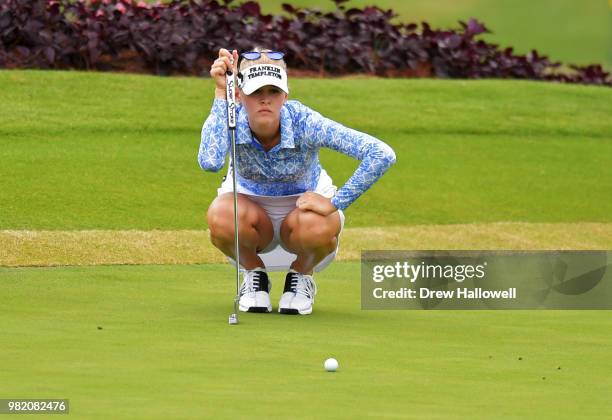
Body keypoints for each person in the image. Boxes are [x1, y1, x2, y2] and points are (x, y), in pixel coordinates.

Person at [199, 47, 396, 315]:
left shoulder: (306, 122)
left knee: (319, 223)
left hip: (304, 215)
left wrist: (335, 203)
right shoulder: (231, 116)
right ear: (240, 95)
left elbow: (381, 153)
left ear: (285, 96)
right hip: (248, 215)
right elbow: (209, 162)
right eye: (256, 92)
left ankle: (301, 274)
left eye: (273, 92)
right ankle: (255, 276)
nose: (265, 100)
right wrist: (221, 95)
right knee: (220, 214)